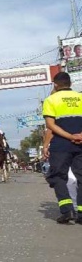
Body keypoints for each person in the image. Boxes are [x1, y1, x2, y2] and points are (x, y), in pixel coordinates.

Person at [41, 72, 82, 224]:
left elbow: (50, 125)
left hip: (61, 144)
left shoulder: (50, 100)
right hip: (81, 143)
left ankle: (67, 210)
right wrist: (79, 136)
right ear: (70, 84)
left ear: (55, 85)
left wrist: (70, 137)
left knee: (57, 176)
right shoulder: (80, 97)